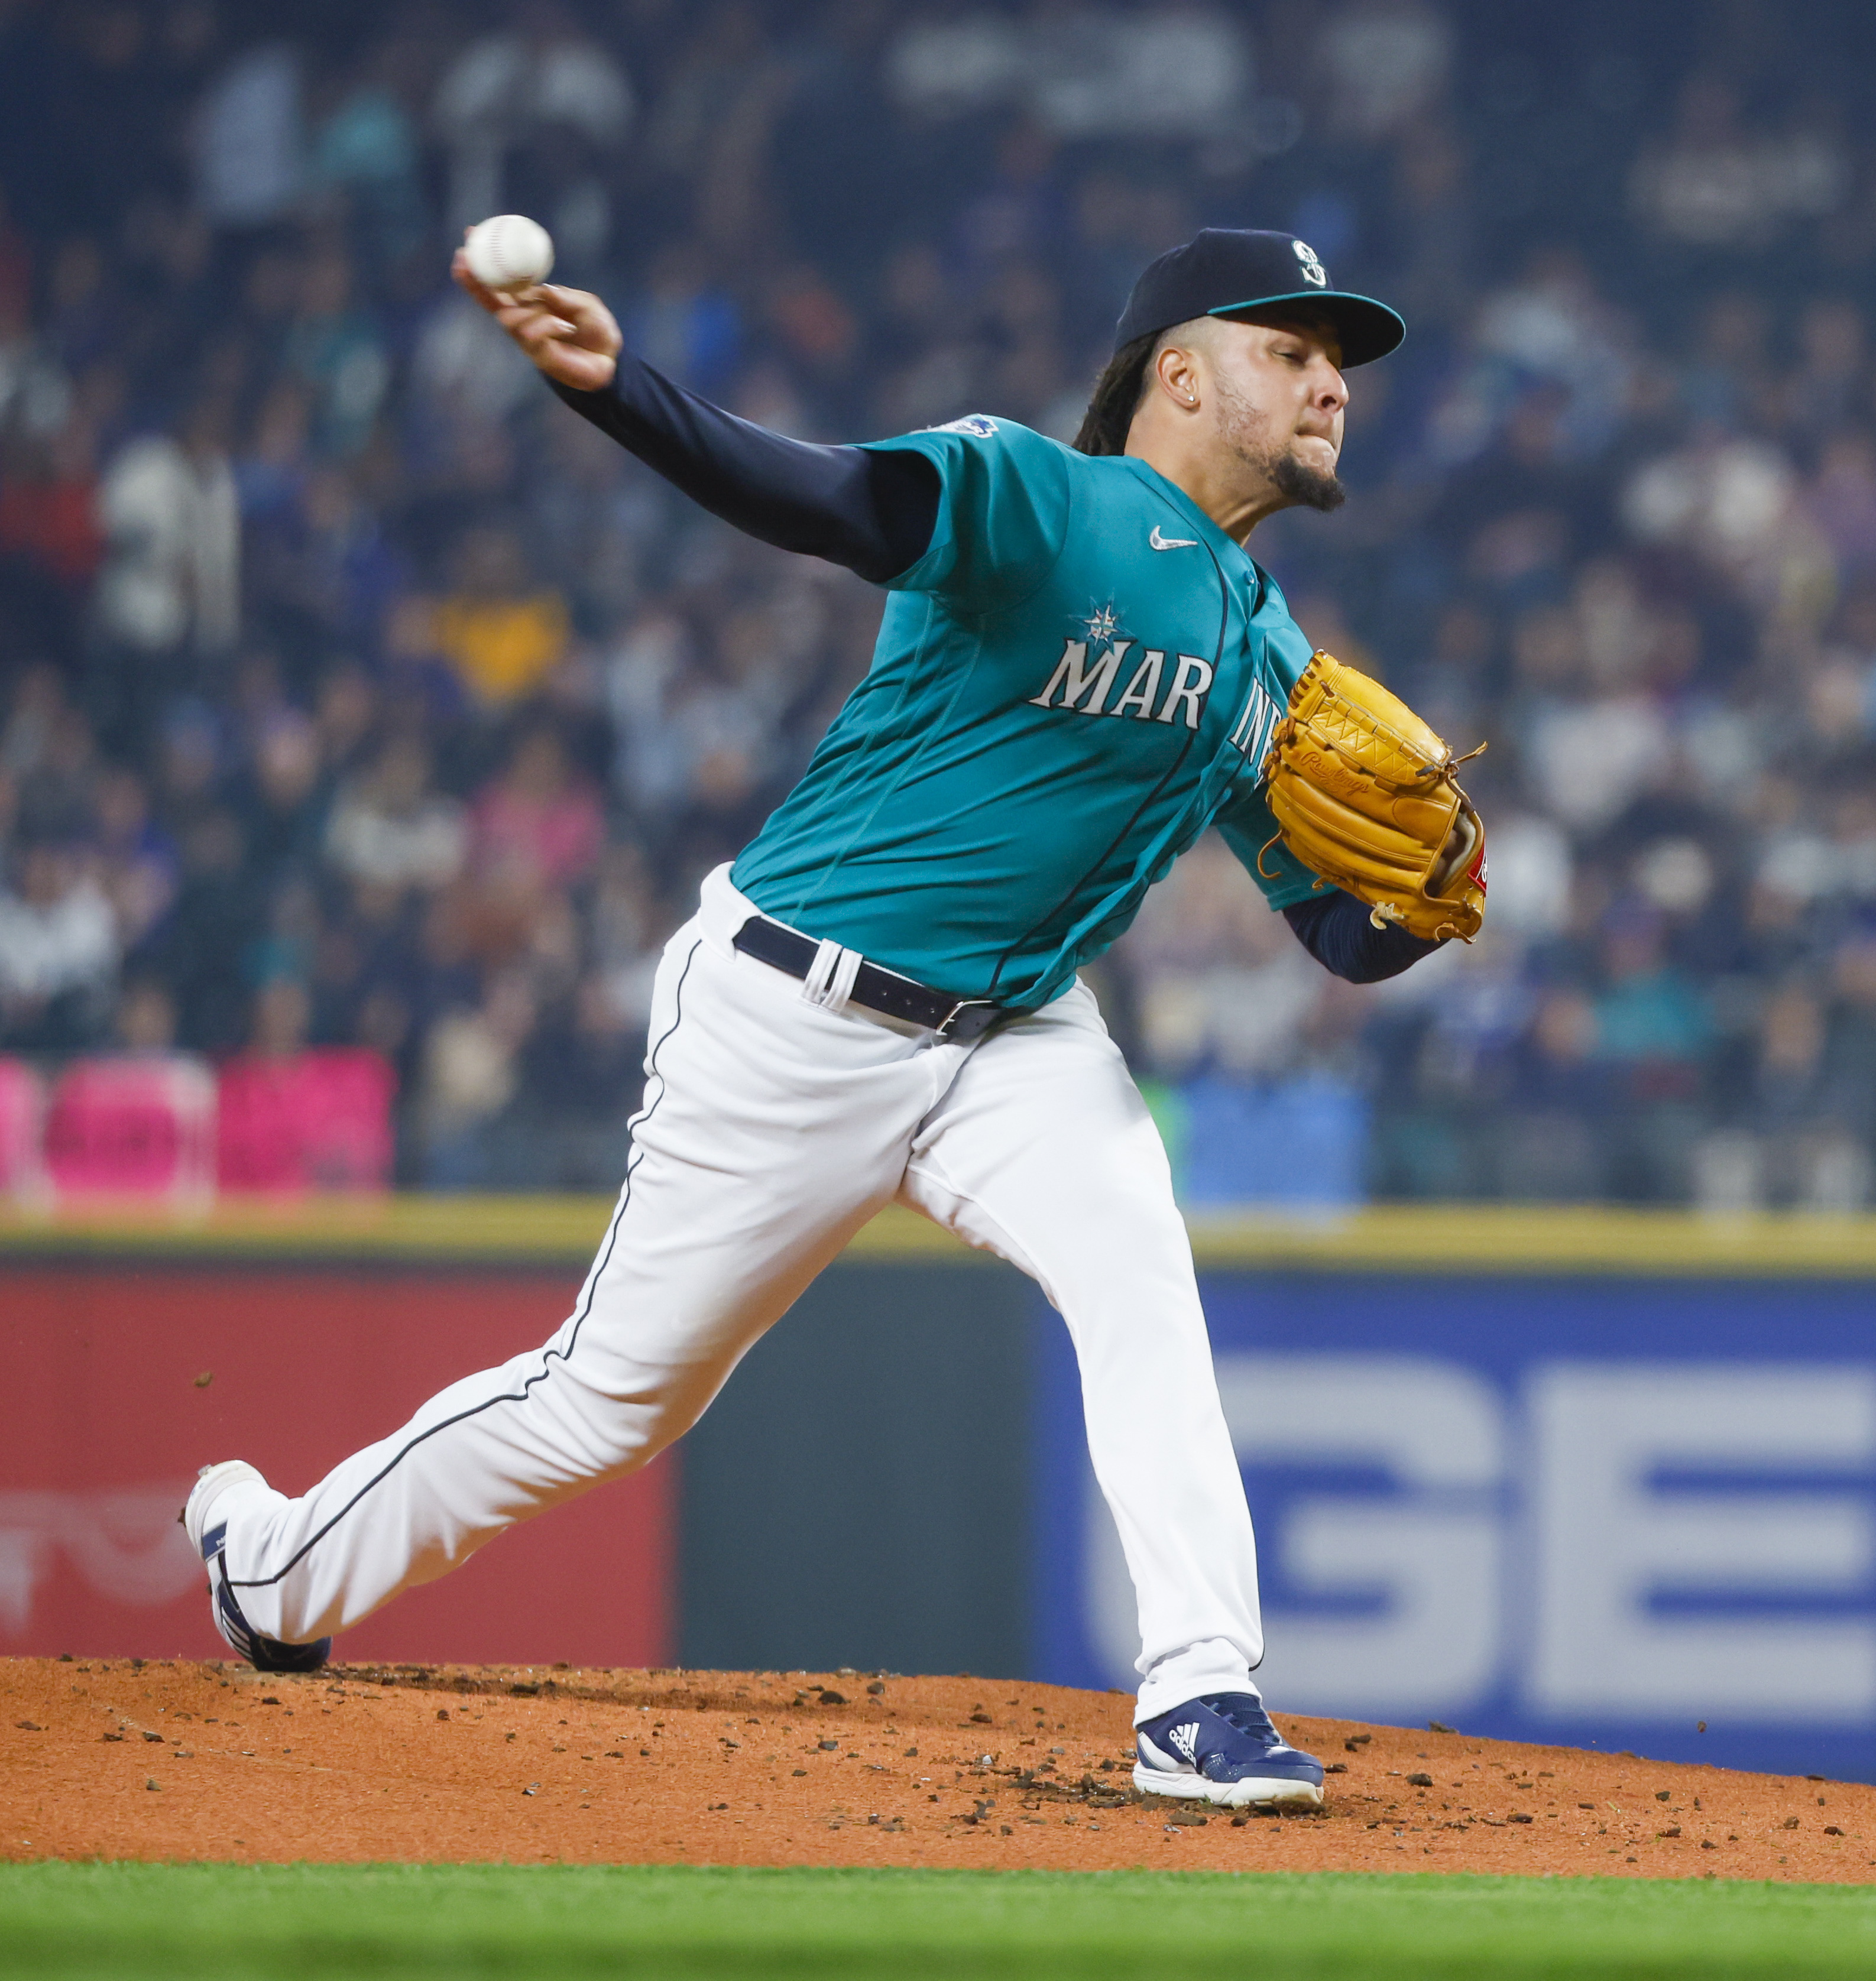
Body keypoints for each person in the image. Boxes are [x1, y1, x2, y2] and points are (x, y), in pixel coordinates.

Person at [180, 228, 1448, 1813]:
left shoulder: (1267, 648)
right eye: (1292, 348)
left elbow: (1331, 930)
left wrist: (1423, 903)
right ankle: (277, 1565)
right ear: (1179, 374)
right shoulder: (1036, 495)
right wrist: (623, 394)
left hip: (1023, 1038)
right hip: (796, 1005)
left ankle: (1198, 1695)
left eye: (1341, 359)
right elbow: (832, 503)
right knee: (609, 1404)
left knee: (1140, 1267)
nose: (1333, 380)